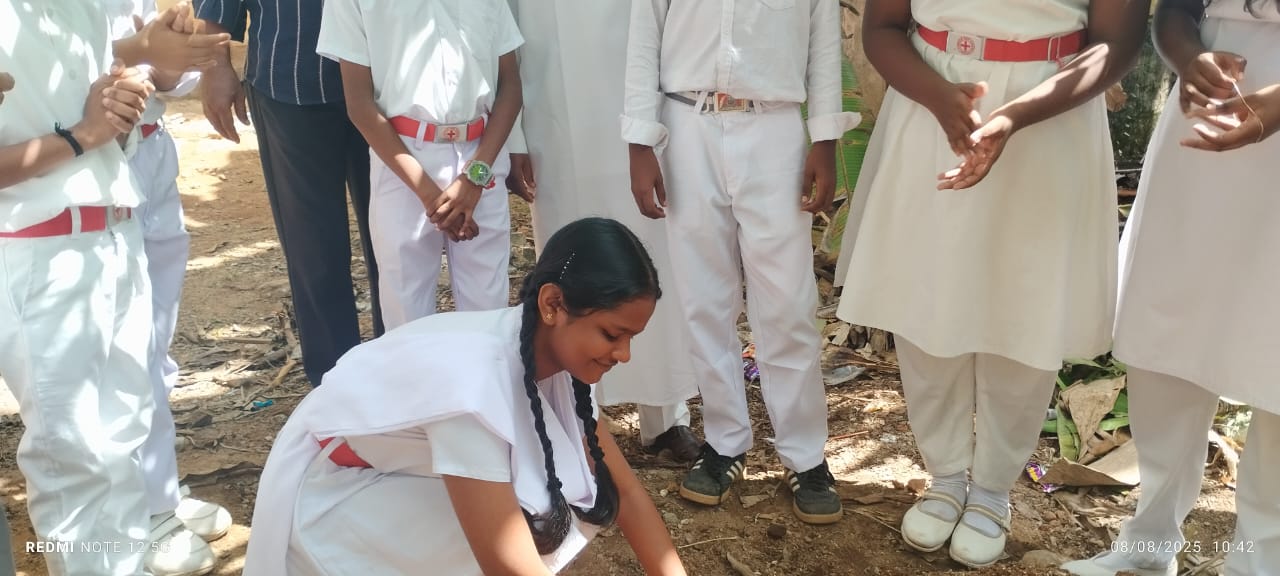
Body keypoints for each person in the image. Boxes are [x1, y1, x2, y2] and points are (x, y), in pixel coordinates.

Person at [835, 0, 1148, 567]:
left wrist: (1014, 117)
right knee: (927, 294)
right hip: (932, 105)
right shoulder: (934, 97)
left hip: (1052, 114)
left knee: (1026, 300)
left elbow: (1117, 42)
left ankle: (992, 489)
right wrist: (939, 97)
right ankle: (946, 476)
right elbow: (883, 26)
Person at [242, 217, 687, 575]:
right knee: (536, 511)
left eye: (631, 338)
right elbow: (506, 561)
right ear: (553, 304)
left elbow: (625, 491)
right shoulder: (472, 389)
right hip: (333, 495)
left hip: (391, 475)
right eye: (612, 334)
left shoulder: (557, 363)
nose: (624, 354)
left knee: (568, 493)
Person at [1061, 1, 1280, 575]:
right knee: (1168, 324)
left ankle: (1259, 561)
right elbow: (1177, 7)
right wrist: (1189, 58)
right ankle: (1148, 543)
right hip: (1210, 104)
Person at [623, 0, 859, 525]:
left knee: (788, 303)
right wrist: (640, 140)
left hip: (774, 129)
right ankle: (725, 441)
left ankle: (805, 454)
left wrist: (825, 138)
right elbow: (645, 37)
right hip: (687, 125)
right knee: (704, 299)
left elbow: (823, 43)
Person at [505, 0, 700, 461]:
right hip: (553, 117)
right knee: (569, 260)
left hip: (642, 110)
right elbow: (502, 28)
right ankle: (574, 417)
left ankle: (665, 417)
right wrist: (513, 138)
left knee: (650, 255)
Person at [0, 2, 156, 572]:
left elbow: (108, 131)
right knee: (71, 457)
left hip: (116, 230)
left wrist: (120, 111)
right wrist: (84, 134)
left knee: (123, 436)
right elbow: (86, 133)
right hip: (39, 251)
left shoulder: (85, 8)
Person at [106, 2, 235, 575]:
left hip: (152, 153)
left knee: (154, 342)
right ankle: (140, 512)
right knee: (123, 347)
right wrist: (137, 53)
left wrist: (173, 55)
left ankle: (158, 489)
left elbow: (162, 76)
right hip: (97, 162)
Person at [193, 0, 384, 387]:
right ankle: (334, 386)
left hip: (389, 82)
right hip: (292, 77)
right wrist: (215, 65)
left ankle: (402, 372)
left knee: (393, 242)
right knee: (313, 248)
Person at [316, 0, 523, 329]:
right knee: (406, 312)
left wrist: (475, 178)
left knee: (487, 309)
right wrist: (430, 196)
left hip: (481, 153)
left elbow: (510, 87)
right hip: (401, 159)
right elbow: (359, 103)